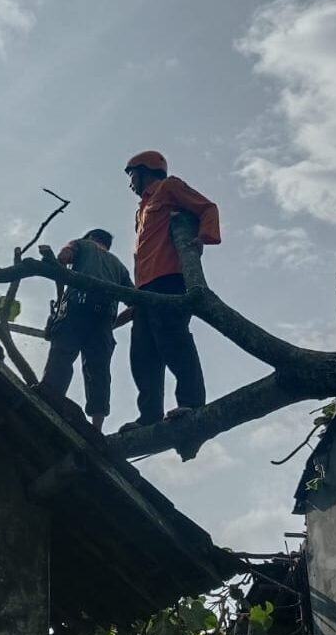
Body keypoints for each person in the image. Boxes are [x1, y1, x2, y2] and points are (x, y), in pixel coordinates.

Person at [116, 150, 221, 430]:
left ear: (145, 169)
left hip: (169, 279)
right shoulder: (141, 209)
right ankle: (149, 416)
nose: (130, 183)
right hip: (144, 287)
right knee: (142, 353)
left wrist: (202, 238)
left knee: (172, 339)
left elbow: (207, 207)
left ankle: (191, 403)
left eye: (132, 175)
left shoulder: (169, 187)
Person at [40, 228, 132, 432]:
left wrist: (59, 262)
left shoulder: (82, 244)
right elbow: (135, 305)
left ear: (91, 238)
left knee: (61, 358)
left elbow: (64, 256)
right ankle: (96, 426)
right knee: (98, 371)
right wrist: (111, 325)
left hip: (76, 310)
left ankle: (48, 401)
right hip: (103, 321)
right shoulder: (120, 267)